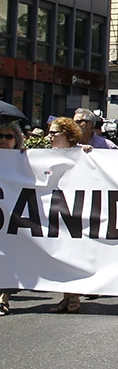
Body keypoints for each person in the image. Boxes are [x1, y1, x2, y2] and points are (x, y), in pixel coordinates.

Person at [46, 118, 89, 314]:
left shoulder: (81, 153)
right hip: (54, 211)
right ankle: (66, 295)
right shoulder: (45, 155)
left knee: (72, 253)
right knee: (59, 254)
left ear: (67, 134)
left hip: (75, 211)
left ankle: (74, 296)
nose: (50, 136)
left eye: (54, 133)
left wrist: (89, 154)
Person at [0, 120, 25, 315]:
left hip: (13, 220)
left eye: (8, 136)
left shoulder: (25, 160)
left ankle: (2, 299)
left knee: (7, 259)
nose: (3, 140)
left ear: (16, 140)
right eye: (0, 136)